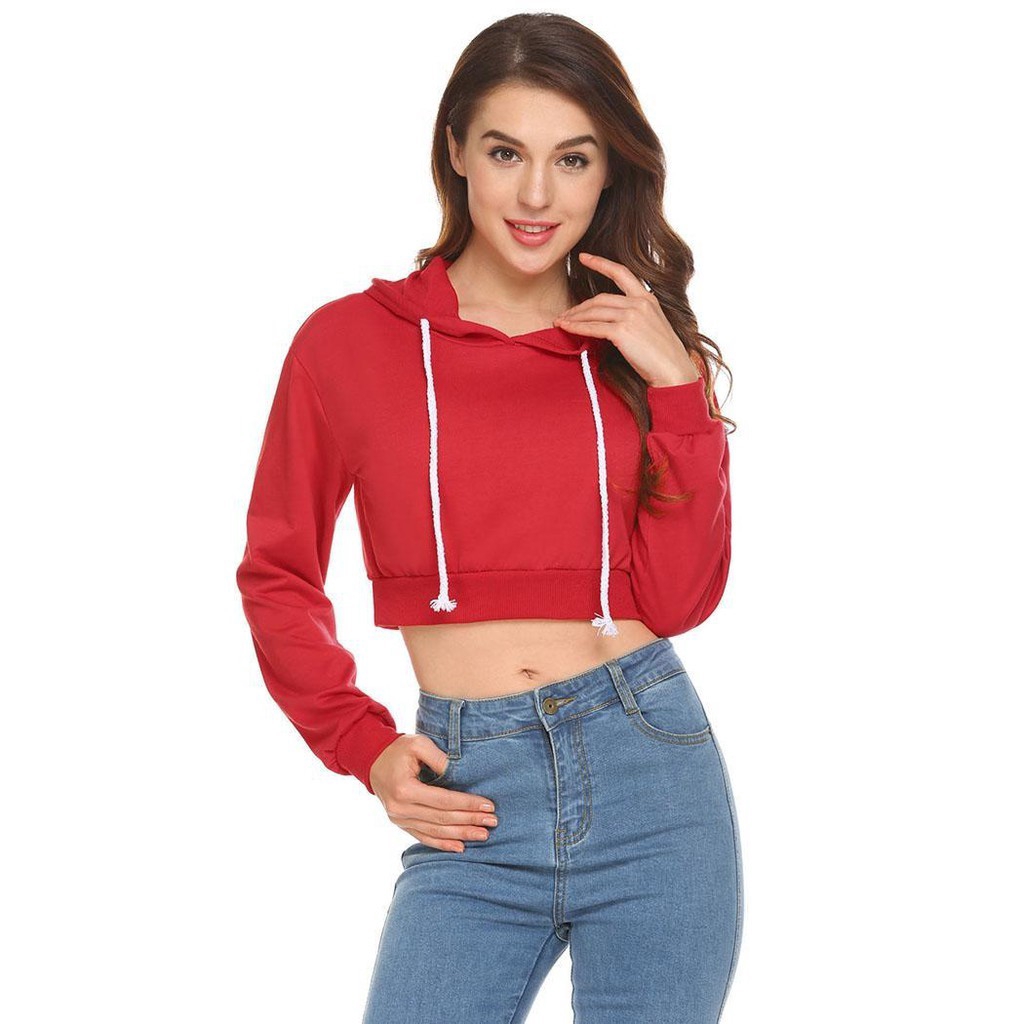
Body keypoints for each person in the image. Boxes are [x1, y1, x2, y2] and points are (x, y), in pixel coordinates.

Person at [236, 12, 743, 1023]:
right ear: (457, 150)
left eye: (573, 159)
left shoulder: (635, 351)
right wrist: (362, 743)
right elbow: (277, 573)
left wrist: (678, 389)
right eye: (508, 152)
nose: (537, 195)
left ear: (609, 173)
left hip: (652, 778)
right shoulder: (347, 344)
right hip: (470, 795)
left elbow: (681, 600)